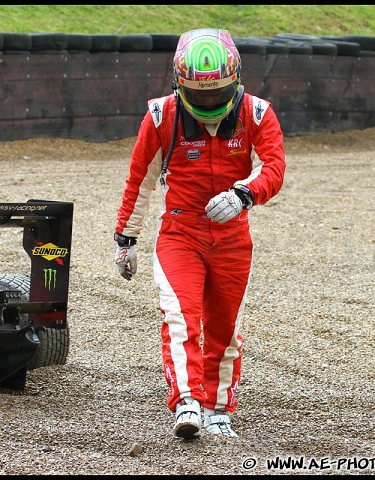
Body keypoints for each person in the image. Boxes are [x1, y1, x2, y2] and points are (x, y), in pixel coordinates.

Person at [114, 28, 286, 439]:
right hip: (180, 232)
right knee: (180, 316)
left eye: (217, 93)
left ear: (235, 80)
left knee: (225, 326)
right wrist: (126, 239)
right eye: (200, 95)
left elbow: (274, 167)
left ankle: (219, 407)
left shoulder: (258, 113)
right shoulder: (160, 116)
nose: (209, 102)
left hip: (232, 236)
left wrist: (245, 193)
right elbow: (141, 180)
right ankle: (188, 400)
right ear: (180, 86)